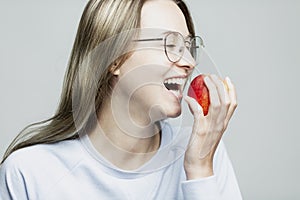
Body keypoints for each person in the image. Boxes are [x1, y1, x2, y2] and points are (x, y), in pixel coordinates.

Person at [0, 0, 243, 199]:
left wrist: (199, 171)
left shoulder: (203, 152)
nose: (190, 63)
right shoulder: (28, 173)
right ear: (114, 58)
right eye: (171, 44)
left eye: (189, 47)